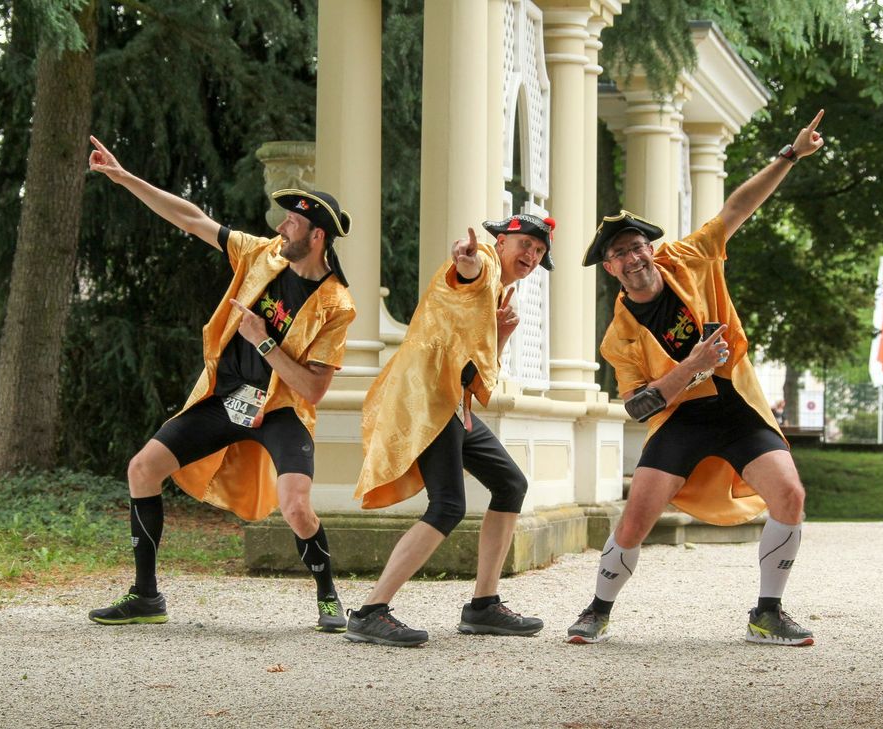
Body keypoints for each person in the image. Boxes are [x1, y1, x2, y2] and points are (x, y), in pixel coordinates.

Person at [567, 111, 828, 647]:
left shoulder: (689, 258)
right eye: (619, 254)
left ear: (650, 247)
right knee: (636, 519)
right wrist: (690, 367)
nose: (633, 257)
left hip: (737, 408)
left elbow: (737, 207)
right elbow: (636, 406)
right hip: (681, 420)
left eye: (637, 245)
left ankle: (767, 614)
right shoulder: (618, 336)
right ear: (610, 269)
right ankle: (597, 610)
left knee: (790, 495)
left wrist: (790, 154)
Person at [85, 136, 356, 632]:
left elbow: (313, 390)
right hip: (225, 399)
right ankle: (146, 596)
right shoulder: (263, 255)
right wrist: (124, 178)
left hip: (280, 411)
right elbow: (192, 219)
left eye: (292, 223)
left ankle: (328, 596)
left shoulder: (336, 304)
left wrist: (262, 340)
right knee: (143, 469)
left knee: (297, 508)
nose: (281, 227)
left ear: (317, 236)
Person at [344, 214, 555, 647]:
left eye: (539, 251)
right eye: (526, 245)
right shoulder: (486, 265)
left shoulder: (501, 292)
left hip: (452, 402)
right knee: (447, 506)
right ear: (501, 243)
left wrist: (502, 334)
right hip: (427, 398)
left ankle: (484, 605)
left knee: (510, 484)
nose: (532, 255)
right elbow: (468, 272)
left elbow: (479, 368)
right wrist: (467, 261)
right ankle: (370, 612)